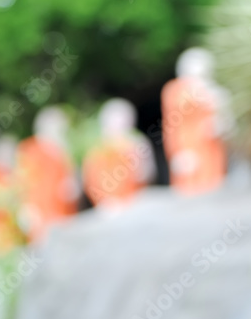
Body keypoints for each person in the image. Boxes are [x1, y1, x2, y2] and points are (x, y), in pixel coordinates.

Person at [161, 47, 232, 195]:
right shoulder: (175, 91)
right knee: (190, 192)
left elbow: (227, 123)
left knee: (213, 190)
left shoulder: (217, 93)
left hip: (212, 153)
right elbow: (171, 127)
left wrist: (222, 125)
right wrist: (176, 153)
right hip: (188, 151)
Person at [16, 106, 79, 242]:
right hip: (39, 217)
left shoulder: (62, 150)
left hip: (64, 217)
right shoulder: (29, 150)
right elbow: (21, 182)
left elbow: (71, 182)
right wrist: (26, 208)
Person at [82, 98, 155, 208]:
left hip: (138, 202)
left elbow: (147, 173)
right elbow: (90, 181)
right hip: (109, 208)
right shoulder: (97, 151)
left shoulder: (137, 143)